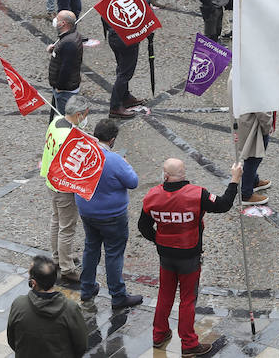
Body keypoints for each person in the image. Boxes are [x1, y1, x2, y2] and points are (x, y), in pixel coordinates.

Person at [139, 157, 241, 355]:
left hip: (165, 255)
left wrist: (158, 239)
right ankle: (188, 343)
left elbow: (143, 226)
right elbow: (224, 204)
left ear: (165, 175)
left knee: (165, 294)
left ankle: (159, 334)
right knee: (187, 299)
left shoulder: (152, 196)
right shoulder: (197, 194)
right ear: (183, 174)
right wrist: (234, 180)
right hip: (189, 255)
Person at [75, 117, 144, 309]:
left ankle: (87, 288)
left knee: (91, 248)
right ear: (112, 139)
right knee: (113, 253)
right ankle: (118, 295)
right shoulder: (114, 159)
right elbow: (133, 182)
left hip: (87, 211)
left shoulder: (83, 154)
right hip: (112, 215)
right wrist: (126, 164)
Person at [43, 95, 91, 281]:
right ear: (79, 114)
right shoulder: (69, 137)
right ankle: (66, 268)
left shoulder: (56, 122)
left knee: (56, 221)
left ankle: (57, 257)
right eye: (86, 114)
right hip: (63, 188)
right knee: (67, 228)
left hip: (50, 180)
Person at [6, 257, 88, 358]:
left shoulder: (19, 304)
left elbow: (12, 339)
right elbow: (81, 345)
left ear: (33, 283)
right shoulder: (71, 308)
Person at [46, 11, 84, 117]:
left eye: (57, 19)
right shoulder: (71, 35)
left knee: (65, 119)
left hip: (65, 90)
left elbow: (66, 69)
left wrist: (59, 87)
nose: (55, 21)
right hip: (67, 87)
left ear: (63, 24)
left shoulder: (68, 43)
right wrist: (54, 50)